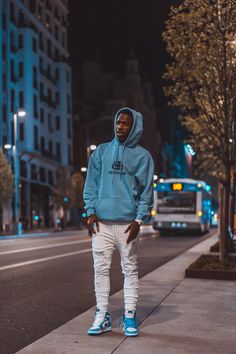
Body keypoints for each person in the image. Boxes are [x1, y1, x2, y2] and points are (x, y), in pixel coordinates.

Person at [83, 107, 154, 337]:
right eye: (118, 123)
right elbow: (91, 185)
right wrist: (90, 211)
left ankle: (130, 315)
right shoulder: (101, 152)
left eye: (125, 124)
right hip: (101, 223)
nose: (120, 127)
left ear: (134, 127)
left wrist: (138, 219)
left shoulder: (143, 156)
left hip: (127, 225)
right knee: (100, 269)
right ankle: (102, 314)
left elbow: (146, 192)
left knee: (130, 269)